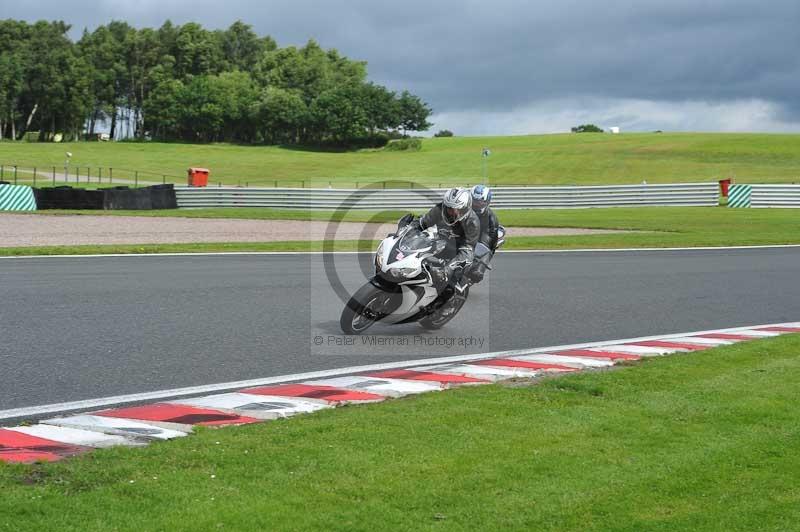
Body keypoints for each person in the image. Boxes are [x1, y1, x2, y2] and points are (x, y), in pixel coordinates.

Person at [412, 187, 480, 286]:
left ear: (464, 209)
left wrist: (447, 270)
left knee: (448, 283)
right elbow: (422, 223)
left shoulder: (472, 222)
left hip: (459, 251)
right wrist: (406, 230)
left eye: (455, 209)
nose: (451, 212)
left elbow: (467, 250)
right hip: (441, 244)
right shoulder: (440, 210)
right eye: (449, 208)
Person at [466, 184, 501, 283]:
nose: (477, 204)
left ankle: (480, 268)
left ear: (486, 202)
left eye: (480, 202)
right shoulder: (463, 210)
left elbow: (487, 243)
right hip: (464, 236)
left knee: (477, 273)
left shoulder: (491, 219)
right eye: (475, 201)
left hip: (480, 240)